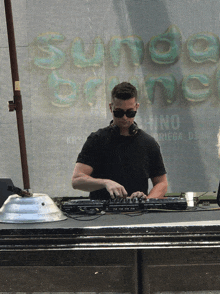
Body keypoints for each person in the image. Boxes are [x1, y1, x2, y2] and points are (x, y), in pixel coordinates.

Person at [72, 82, 168, 200]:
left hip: (138, 215)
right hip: (102, 215)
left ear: (137, 107)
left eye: (130, 112)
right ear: (110, 108)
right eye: (119, 112)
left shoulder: (148, 143)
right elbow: (77, 180)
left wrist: (147, 201)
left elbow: (161, 183)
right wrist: (105, 183)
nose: (125, 117)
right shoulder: (97, 140)